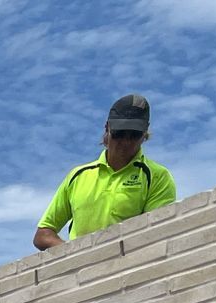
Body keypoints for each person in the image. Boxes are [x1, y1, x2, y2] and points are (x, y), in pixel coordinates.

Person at [34, 94, 176, 250]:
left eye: (134, 134)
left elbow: (154, 234)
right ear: (107, 128)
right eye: (120, 133)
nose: (126, 141)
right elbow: (43, 234)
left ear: (145, 133)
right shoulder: (78, 176)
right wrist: (75, 255)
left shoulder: (157, 177)